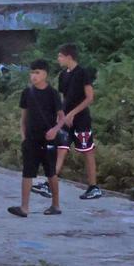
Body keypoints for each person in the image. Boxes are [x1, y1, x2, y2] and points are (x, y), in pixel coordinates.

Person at [8, 59, 63, 217]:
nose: (34, 76)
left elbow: (62, 117)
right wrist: (23, 136)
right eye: (32, 72)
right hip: (31, 139)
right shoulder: (27, 93)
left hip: (48, 139)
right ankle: (24, 207)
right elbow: (23, 118)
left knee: (51, 172)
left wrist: (54, 130)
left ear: (45, 74)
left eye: (37, 72)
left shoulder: (53, 93)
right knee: (27, 173)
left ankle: (56, 205)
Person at [53, 43, 102, 200]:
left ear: (69, 57)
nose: (58, 59)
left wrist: (73, 113)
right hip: (65, 119)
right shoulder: (63, 75)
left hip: (81, 119)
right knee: (61, 148)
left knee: (87, 151)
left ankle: (93, 187)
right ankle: (50, 181)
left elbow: (89, 97)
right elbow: (63, 97)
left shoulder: (82, 73)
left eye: (60, 56)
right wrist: (60, 114)